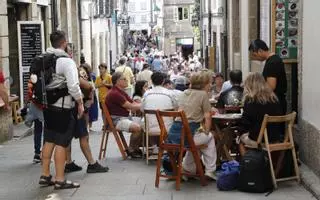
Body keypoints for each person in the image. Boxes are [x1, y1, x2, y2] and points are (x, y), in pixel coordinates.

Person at [39, 30, 83, 189]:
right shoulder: (66, 61)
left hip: (47, 106)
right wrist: (80, 102)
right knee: (62, 143)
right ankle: (59, 179)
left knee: (49, 139)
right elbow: (73, 86)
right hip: (63, 107)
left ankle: (45, 175)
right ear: (64, 42)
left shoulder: (43, 58)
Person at [167, 71, 217, 180]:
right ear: (205, 84)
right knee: (209, 138)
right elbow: (207, 116)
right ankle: (210, 170)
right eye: (209, 83)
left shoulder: (184, 93)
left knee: (196, 144)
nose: (210, 85)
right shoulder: (203, 94)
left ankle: (187, 169)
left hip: (175, 135)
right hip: (189, 135)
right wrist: (207, 131)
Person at [64, 65, 108, 174]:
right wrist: (89, 89)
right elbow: (87, 86)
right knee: (83, 135)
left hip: (64, 107)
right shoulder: (72, 70)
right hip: (74, 107)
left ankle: (68, 163)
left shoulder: (57, 69)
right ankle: (92, 163)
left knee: (67, 137)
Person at [238, 72, 282, 156]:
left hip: (258, 140)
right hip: (275, 138)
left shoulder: (251, 100)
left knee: (240, 140)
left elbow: (246, 123)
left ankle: (248, 166)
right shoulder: (274, 99)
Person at [105, 72, 143, 158]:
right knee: (137, 128)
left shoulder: (121, 91)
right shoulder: (115, 93)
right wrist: (144, 105)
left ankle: (136, 148)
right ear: (118, 81)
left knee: (145, 124)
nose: (127, 80)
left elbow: (133, 103)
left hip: (124, 117)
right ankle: (131, 149)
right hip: (117, 120)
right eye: (124, 79)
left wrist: (140, 103)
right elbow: (130, 106)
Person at [249, 39, 287, 115]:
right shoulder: (273, 60)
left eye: (254, 55)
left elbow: (271, 87)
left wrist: (256, 91)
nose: (255, 58)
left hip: (275, 103)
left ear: (260, 51)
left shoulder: (272, 63)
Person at [95, 63, 112, 128]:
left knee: (108, 111)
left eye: (102, 69)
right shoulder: (98, 78)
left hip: (108, 97)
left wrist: (106, 84)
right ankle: (105, 124)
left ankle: (109, 124)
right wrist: (101, 84)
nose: (101, 70)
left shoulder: (109, 77)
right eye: (100, 69)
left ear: (105, 69)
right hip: (101, 97)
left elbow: (112, 85)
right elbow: (96, 86)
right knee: (103, 111)